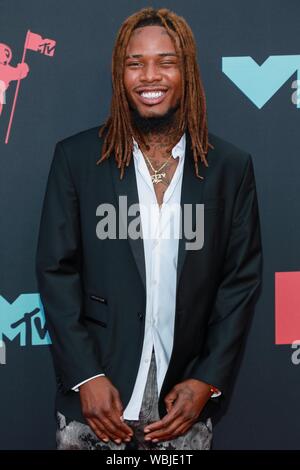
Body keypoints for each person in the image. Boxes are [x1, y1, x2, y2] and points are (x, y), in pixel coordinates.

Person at [36, 7, 262, 450]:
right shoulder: (77, 159)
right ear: (120, 74)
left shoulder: (229, 168)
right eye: (135, 63)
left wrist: (207, 379)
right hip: (98, 403)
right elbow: (56, 271)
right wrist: (87, 374)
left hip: (183, 405)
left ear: (188, 72)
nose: (149, 76)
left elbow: (240, 283)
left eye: (166, 61)